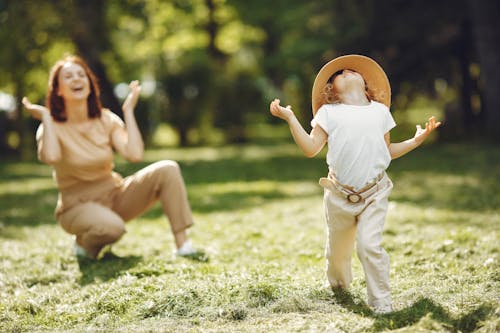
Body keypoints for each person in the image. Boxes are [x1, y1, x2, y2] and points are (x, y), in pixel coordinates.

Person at [269, 54, 441, 314]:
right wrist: (291, 119)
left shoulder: (380, 112)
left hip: (375, 192)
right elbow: (310, 148)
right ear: (332, 91)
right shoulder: (329, 113)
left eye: (352, 70)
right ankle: (339, 287)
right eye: (339, 73)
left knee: (369, 245)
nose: (346, 71)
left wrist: (416, 140)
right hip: (339, 196)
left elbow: (386, 150)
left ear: (365, 84)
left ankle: (381, 301)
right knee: (337, 253)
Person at [22, 55, 202, 260]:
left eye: (81, 75)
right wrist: (46, 117)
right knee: (112, 229)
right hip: (76, 206)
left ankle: (183, 245)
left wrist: (128, 111)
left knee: (168, 169)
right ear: (59, 90)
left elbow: (134, 154)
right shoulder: (50, 126)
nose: (77, 79)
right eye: (68, 76)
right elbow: (50, 156)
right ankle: (84, 243)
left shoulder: (106, 119)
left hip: (115, 195)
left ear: (90, 85)